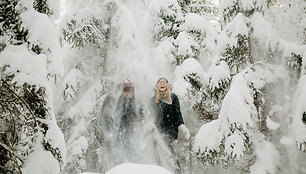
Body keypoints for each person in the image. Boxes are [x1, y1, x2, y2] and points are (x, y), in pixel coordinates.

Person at [150, 77, 190, 173]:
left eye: (164, 82)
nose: (162, 83)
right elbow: (151, 115)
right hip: (158, 129)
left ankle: (176, 168)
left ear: (167, 85)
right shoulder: (153, 99)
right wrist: (150, 124)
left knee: (165, 140)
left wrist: (182, 126)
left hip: (171, 128)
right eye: (160, 82)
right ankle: (158, 168)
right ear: (157, 85)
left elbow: (178, 113)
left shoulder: (173, 97)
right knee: (155, 144)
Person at [98, 80, 141, 167]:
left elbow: (140, 115)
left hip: (129, 134)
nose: (129, 92)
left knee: (130, 155)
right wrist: (108, 132)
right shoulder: (111, 99)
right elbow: (104, 115)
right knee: (115, 156)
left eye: (131, 90)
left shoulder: (134, 101)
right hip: (114, 133)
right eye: (126, 89)